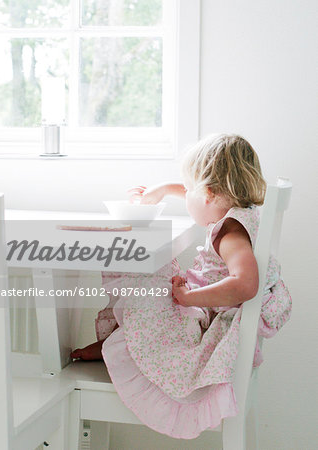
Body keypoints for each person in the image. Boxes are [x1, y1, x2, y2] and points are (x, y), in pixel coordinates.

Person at [70, 133, 292, 439]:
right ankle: (118, 340)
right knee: (152, 276)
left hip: (205, 328)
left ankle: (119, 343)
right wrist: (163, 190)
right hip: (206, 314)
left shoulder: (231, 234)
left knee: (147, 276)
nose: (185, 195)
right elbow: (199, 192)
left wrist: (189, 298)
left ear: (210, 194)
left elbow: (246, 284)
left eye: (188, 190)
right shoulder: (239, 212)